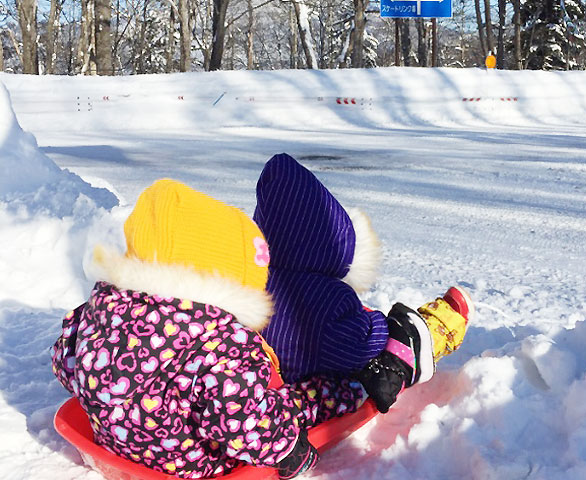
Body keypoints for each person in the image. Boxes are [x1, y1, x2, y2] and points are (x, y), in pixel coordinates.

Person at [51, 179, 368, 479]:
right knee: (295, 403)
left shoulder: (102, 310)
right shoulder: (218, 342)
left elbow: (66, 362)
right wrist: (285, 449)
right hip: (196, 464)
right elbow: (243, 418)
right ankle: (345, 393)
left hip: (116, 444)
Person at [254, 153, 474, 414]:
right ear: (329, 246)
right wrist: (380, 327)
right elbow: (358, 346)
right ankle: (433, 332)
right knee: (394, 344)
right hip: (302, 388)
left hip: (259, 376)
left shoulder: (253, 278)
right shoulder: (325, 300)